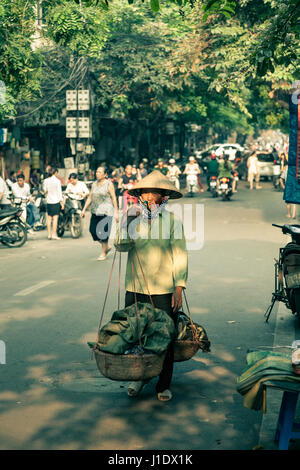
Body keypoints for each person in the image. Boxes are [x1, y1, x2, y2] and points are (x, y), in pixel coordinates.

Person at [115, 170, 188, 402]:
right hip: (135, 286)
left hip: (164, 288)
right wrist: (127, 221)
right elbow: (120, 246)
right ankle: (139, 376)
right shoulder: (131, 219)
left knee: (164, 336)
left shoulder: (173, 221)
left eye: (153, 192)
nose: (148, 196)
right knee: (136, 335)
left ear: (162, 196)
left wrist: (179, 287)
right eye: (144, 192)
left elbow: (180, 254)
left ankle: (163, 383)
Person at [81, 166, 119, 260]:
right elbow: (90, 197)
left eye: (99, 172)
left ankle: (103, 253)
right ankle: (106, 246)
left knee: (103, 233)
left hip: (106, 211)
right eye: (96, 172)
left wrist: (116, 212)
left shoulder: (109, 184)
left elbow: (113, 198)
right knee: (92, 230)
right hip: (95, 211)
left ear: (105, 174)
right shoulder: (94, 184)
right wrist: (84, 209)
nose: (97, 173)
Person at [43, 168, 64, 240]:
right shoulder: (57, 181)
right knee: (55, 218)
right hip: (55, 201)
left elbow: (45, 191)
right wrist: (62, 203)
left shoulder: (46, 181)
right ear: (56, 173)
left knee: (49, 218)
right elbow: (59, 193)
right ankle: (54, 234)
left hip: (49, 201)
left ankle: (49, 235)